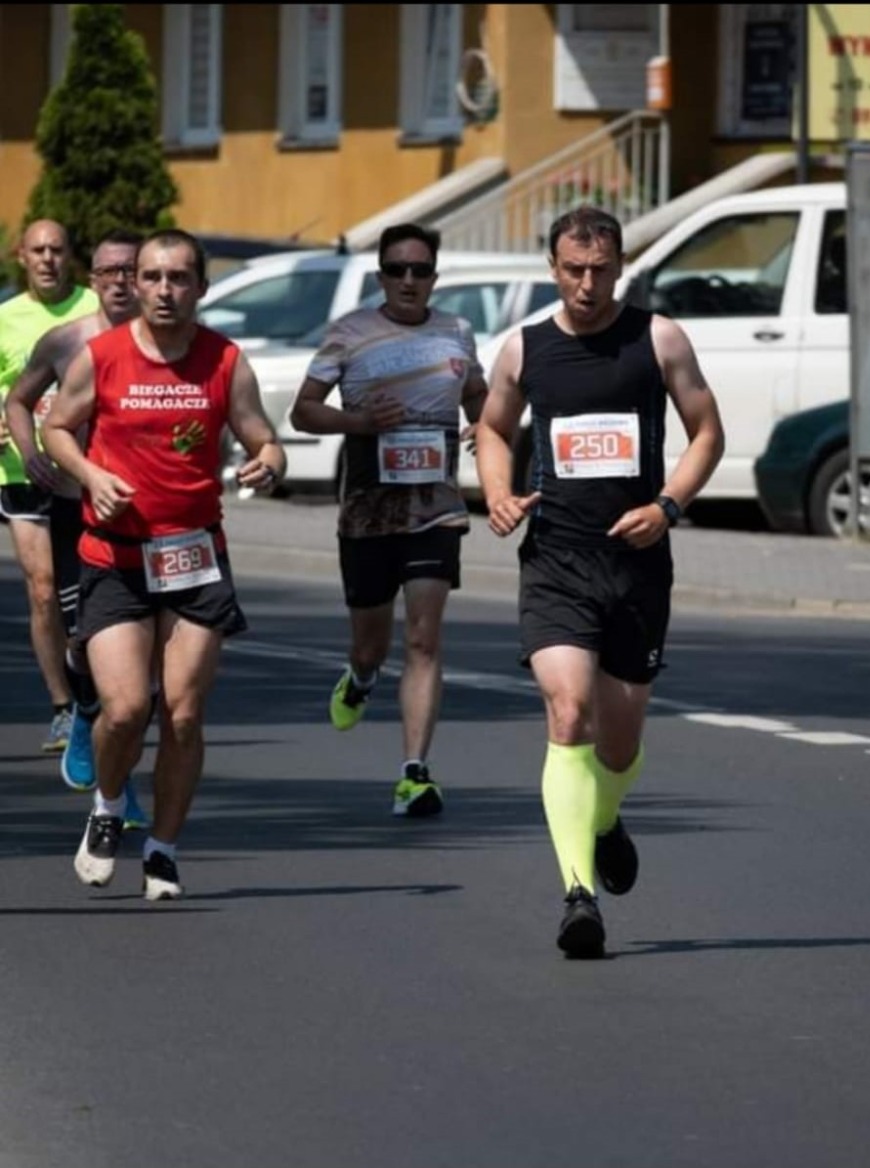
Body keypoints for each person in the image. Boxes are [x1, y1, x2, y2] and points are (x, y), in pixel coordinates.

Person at [474, 206, 726, 959]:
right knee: (567, 709)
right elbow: (493, 426)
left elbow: (707, 430)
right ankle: (578, 894)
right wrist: (495, 492)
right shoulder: (524, 348)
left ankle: (607, 816)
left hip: (637, 564)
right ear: (552, 268)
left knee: (617, 747)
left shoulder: (658, 338)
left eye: (601, 270)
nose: (587, 284)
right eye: (573, 270)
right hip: (556, 559)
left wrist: (668, 506)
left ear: (621, 267)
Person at [42, 228, 286, 901]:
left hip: (194, 556)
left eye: (179, 278)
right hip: (114, 556)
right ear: (135, 284)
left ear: (201, 288)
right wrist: (91, 475)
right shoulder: (102, 357)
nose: (163, 290)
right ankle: (109, 807)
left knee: (181, 712)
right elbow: (58, 427)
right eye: (151, 277)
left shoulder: (224, 360)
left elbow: (261, 434)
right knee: (123, 708)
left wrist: (269, 461)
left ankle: (164, 849)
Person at [290, 223, 487, 818]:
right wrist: (359, 423)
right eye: (397, 269)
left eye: (420, 270)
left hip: (436, 512)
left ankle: (414, 773)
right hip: (368, 516)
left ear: (433, 276)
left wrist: (485, 422)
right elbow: (303, 412)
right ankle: (359, 676)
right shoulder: (350, 333)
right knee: (372, 646)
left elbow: (477, 393)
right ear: (382, 276)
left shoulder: (457, 332)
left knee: (424, 639)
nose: (409, 280)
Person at [5, 228, 148, 826]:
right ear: (96, 280)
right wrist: (32, 449)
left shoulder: (179, 343)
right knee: (85, 638)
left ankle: (118, 780)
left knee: (151, 676)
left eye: (130, 271)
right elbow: (19, 398)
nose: (120, 281)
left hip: (150, 515)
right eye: (109, 271)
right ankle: (83, 710)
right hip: (71, 505)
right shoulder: (66, 340)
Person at [0, 219, 98, 752]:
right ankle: (63, 705)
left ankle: (94, 692)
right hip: (20, 470)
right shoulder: (5, 318)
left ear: (70, 256)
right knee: (41, 590)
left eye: (57, 250)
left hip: (81, 472)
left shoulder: (92, 310)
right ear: (21, 257)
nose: (47, 260)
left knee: (81, 594)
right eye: (37, 250)